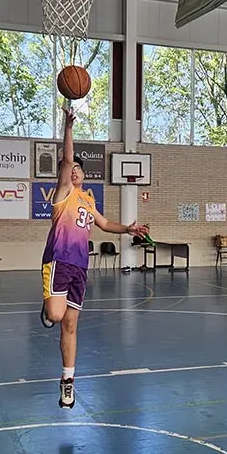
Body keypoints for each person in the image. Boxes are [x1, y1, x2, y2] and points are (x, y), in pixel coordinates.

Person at [40, 106, 150, 409]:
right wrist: (68, 126)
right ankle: (48, 308)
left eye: (78, 168)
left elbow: (104, 225)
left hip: (80, 267)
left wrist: (127, 228)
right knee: (56, 316)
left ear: (84, 175)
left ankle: (67, 381)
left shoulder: (88, 201)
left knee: (71, 326)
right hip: (59, 260)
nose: (74, 169)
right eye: (71, 166)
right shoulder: (64, 193)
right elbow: (65, 158)